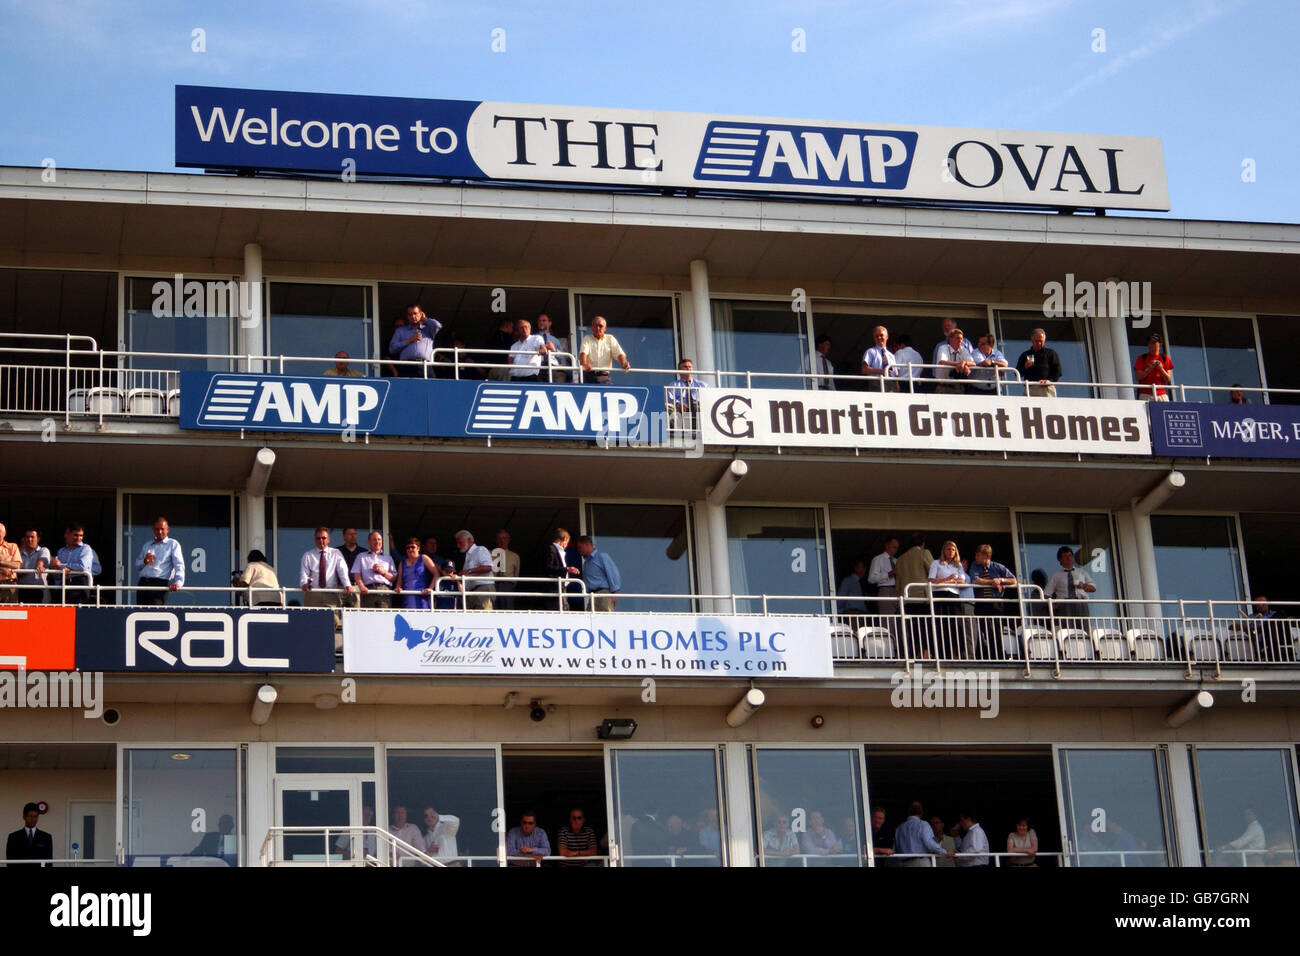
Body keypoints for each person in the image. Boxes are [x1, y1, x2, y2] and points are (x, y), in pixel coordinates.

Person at [968, 544, 1016, 654]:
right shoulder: (975, 566)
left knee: (997, 630)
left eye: (978, 555)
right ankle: (988, 654)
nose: (976, 557)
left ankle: (999, 655)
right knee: (985, 630)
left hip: (996, 603)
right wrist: (993, 582)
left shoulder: (997, 567)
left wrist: (1001, 580)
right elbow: (975, 581)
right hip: (982, 603)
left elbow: (1013, 580)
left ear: (986, 556)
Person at [300, 527, 353, 613]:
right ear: (315, 540)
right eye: (318, 538)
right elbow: (304, 572)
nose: (321, 540)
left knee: (333, 621)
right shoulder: (308, 555)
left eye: (323, 538)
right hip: (313, 593)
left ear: (328, 539)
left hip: (330, 593)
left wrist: (347, 584)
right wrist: (304, 584)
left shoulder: (336, 553)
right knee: (311, 621)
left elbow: (342, 570)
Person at [134, 516, 185, 605]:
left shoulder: (172, 544)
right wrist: (145, 561)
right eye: (157, 529)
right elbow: (137, 566)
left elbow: (179, 565)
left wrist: (178, 583)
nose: (159, 532)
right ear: (153, 530)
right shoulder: (147, 545)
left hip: (159, 583)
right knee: (140, 613)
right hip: (143, 583)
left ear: (167, 529)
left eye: (162, 529)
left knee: (155, 614)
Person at [928, 540, 966, 656]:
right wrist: (948, 579)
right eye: (948, 549)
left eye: (953, 550)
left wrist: (949, 581)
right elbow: (931, 580)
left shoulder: (958, 565)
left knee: (955, 624)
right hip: (940, 595)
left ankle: (955, 653)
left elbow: (962, 581)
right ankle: (940, 653)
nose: (951, 552)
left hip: (953, 595)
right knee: (941, 624)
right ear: (944, 551)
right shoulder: (936, 563)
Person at [50, 523, 101, 604]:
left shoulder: (86, 548)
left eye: (81, 535)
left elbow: (83, 566)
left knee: (78, 612)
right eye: (75, 535)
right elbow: (56, 573)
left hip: (79, 584)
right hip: (62, 585)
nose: (79, 538)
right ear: (67, 534)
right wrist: (56, 567)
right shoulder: (61, 551)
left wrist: (61, 566)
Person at [388, 304, 442, 377]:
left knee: (429, 388)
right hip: (407, 367)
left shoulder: (428, 329)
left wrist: (425, 319)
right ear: (407, 317)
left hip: (425, 366)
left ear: (420, 314)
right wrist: (409, 340)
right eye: (410, 314)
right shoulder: (401, 331)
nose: (413, 316)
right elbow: (392, 348)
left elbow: (438, 325)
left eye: (415, 313)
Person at [892, 801, 953, 866]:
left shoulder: (899, 828)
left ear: (908, 812)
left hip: (904, 864)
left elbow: (896, 849)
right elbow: (930, 844)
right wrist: (945, 852)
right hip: (920, 862)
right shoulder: (923, 824)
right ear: (921, 812)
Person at [572, 535, 621, 611]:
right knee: (589, 620)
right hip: (592, 596)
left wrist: (615, 593)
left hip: (603, 594)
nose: (579, 550)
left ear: (587, 544)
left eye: (580, 547)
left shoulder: (601, 557)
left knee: (603, 619)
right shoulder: (586, 563)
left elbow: (613, 574)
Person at [1045, 545, 1095, 620]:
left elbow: (1093, 588)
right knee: (1067, 629)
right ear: (1060, 560)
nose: (1069, 558)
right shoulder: (1056, 575)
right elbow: (1046, 594)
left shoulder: (1082, 572)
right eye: (1065, 556)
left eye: (1070, 555)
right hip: (1065, 605)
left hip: (1081, 603)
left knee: (1083, 628)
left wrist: (1084, 586)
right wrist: (1053, 604)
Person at [579, 315, 630, 384]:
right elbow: (583, 353)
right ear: (591, 327)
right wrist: (584, 364)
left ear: (605, 328)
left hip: (604, 377)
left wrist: (623, 363)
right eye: (595, 325)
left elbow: (619, 353)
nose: (597, 328)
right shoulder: (587, 338)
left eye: (600, 326)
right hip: (588, 375)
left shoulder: (610, 339)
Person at [353, 531, 397, 608]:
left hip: (384, 591)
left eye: (379, 539)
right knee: (368, 618)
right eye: (374, 539)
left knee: (383, 617)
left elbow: (393, 578)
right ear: (368, 542)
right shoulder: (361, 556)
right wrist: (361, 586)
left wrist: (382, 571)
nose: (377, 542)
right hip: (367, 591)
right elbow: (356, 574)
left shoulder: (388, 558)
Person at [1015, 328, 1063, 397]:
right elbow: (1017, 373)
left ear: (1044, 340)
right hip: (1030, 389)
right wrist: (1025, 366)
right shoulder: (1025, 355)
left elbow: (1058, 372)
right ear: (1032, 340)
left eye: (1041, 341)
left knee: (1048, 407)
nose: (1039, 343)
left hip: (1047, 388)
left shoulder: (1051, 354)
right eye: (1037, 341)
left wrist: (1049, 381)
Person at [454, 530, 495, 610]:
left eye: (460, 543)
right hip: (472, 592)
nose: (458, 546)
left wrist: (469, 571)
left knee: (483, 618)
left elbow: (488, 567)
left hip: (483, 589)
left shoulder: (480, 550)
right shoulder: (468, 555)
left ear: (469, 540)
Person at [395, 537, 437, 610]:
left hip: (422, 597)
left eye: (412, 547)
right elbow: (399, 581)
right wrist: (398, 587)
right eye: (408, 548)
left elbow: (436, 574)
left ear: (418, 548)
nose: (410, 549)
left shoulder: (424, 558)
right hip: (407, 598)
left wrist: (430, 588)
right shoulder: (402, 563)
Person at [666, 358, 706, 429]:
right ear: (679, 370)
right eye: (685, 367)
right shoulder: (673, 384)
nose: (688, 369)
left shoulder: (702, 385)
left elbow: (707, 397)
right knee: (669, 407)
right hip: (679, 408)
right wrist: (678, 403)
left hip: (697, 408)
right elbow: (669, 398)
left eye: (690, 367)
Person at [935, 328, 976, 395]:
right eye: (957, 338)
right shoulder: (943, 348)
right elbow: (942, 362)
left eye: (961, 339)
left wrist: (964, 363)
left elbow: (973, 363)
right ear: (950, 339)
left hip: (959, 388)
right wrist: (961, 364)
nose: (960, 341)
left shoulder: (963, 350)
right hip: (943, 387)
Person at [1134, 332, 1174, 401]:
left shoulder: (1165, 358)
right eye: (1149, 343)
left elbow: (1168, 379)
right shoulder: (1142, 358)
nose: (1150, 345)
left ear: (1160, 345)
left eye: (1153, 343)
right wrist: (1148, 369)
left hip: (1161, 395)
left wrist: (1161, 369)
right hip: (1145, 395)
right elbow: (1137, 377)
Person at [17, 529, 50, 604]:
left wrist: (40, 565)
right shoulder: (19, 553)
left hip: (37, 590)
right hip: (21, 590)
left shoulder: (43, 550)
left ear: (38, 539)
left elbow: (42, 560)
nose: (29, 539)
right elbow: (15, 566)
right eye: (27, 537)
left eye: (32, 537)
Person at [492, 529, 521, 609]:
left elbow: (516, 574)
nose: (502, 541)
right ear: (496, 540)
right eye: (500, 538)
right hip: (493, 584)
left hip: (508, 585)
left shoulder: (515, 556)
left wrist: (511, 584)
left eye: (504, 538)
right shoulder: (490, 554)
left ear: (508, 540)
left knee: (507, 609)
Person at [860, 325, 895, 391]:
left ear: (887, 337)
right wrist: (882, 371)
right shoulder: (870, 352)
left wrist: (896, 384)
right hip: (876, 384)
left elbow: (895, 373)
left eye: (881, 335)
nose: (879, 337)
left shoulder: (891, 356)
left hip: (891, 386)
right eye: (876, 336)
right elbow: (864, 369)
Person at [534, 313, 567, 381]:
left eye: (544, 320)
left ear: (549, 323)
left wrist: (554, 350)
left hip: (552, 368)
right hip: (537, 367)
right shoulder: (533, 338)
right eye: (539, 321)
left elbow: (562, 360)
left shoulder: (555, 340)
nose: (541, 322)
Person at [868, 536, 899, 602]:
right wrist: (888, 574)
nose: (896, 550)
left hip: (898, 591)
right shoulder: (877, 559)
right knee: (887, 612)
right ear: (887, 546)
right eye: (894, 547)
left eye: (897, 548)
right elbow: (871, 579)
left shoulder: (897, 561)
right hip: (885, 590)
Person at [0, 523, 20, 604]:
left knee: (10, 612)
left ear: (4, 534)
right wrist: (2, 568)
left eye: (0, 531)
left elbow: (17, 565)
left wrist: (1, 562)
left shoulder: (13, 546)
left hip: (9, 583)